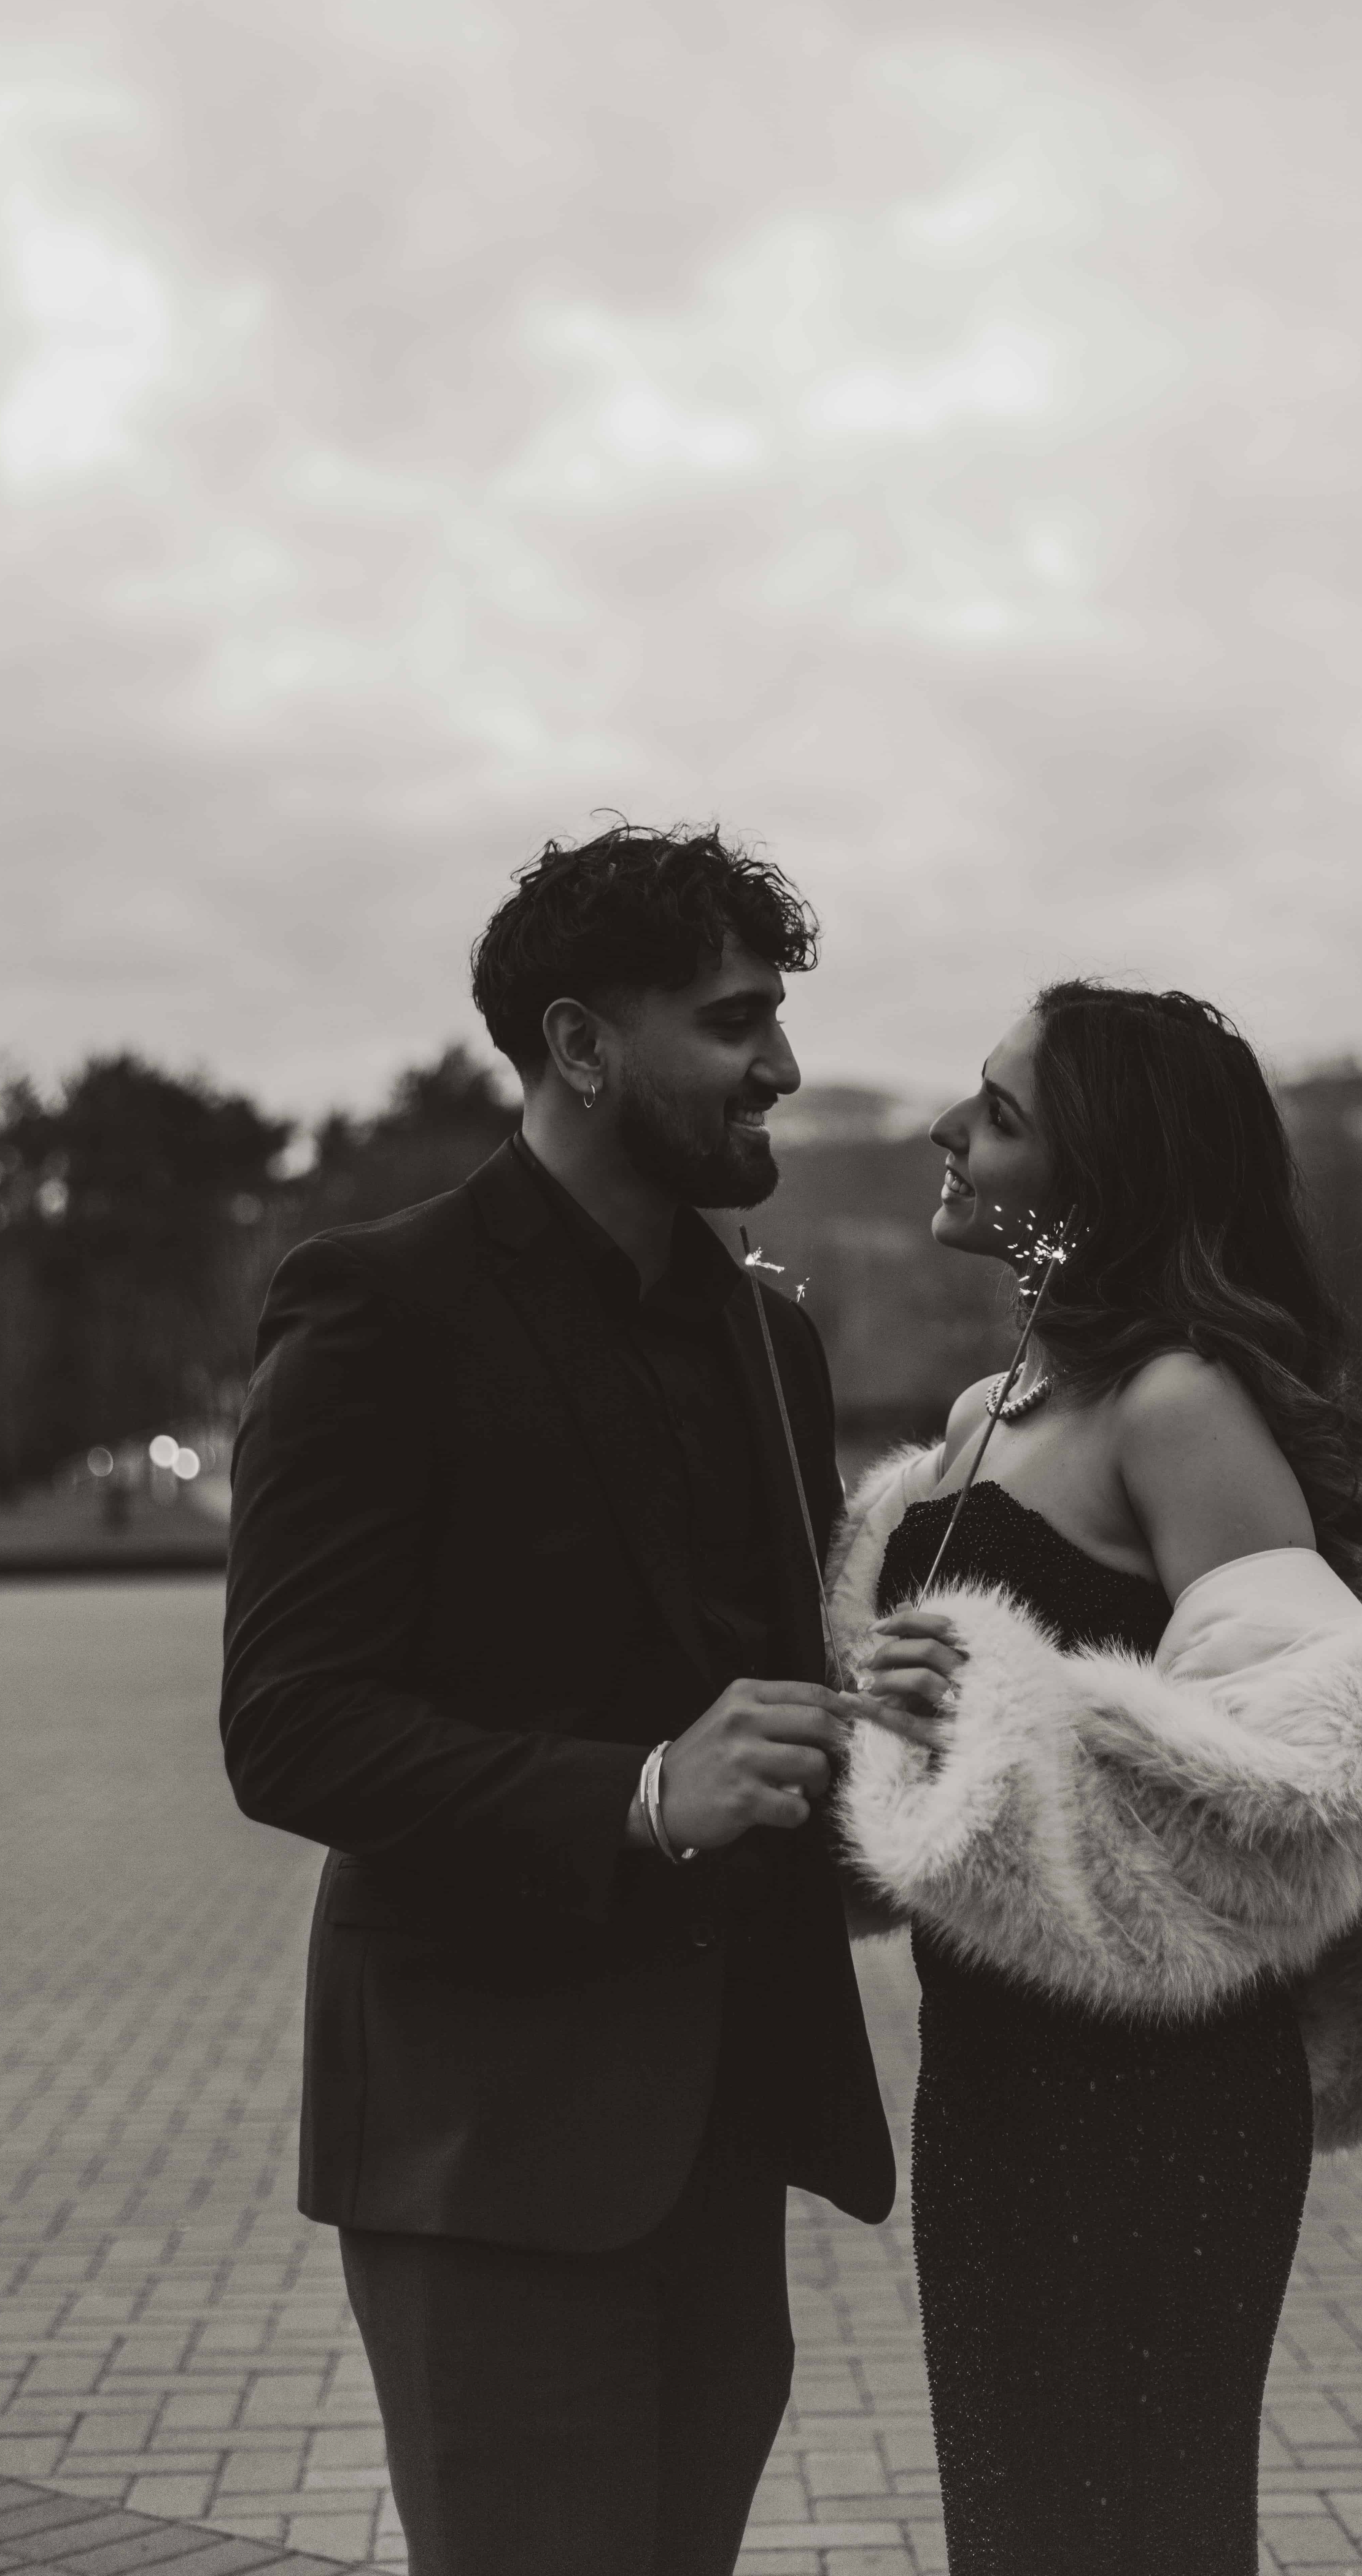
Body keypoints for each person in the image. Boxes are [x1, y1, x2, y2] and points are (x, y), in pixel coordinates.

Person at [221, 822, 895, 2576]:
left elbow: (770, 1677)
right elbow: (289, 1721)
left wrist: (891, 1711)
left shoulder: (770, 1337)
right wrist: (640, 1792)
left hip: (721, 2129)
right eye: (734, 1021)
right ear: (582, 1046)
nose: (783, 1066)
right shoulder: (380, 1306)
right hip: (486, 2147)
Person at [828, 981, 1362, 2576]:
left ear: (1105, 1182)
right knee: (1018, 2528)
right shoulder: (974, 1420)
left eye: (1001, 1112)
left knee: (1133, 2529)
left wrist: (1021, 1713)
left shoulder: (1176, 1404)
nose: (948, 1130)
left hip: (1155, 2100)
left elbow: (1313, 1763)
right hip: (992, 2081)